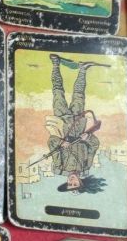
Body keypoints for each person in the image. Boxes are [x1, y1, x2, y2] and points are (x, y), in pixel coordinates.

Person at [45, 54, 105, 191]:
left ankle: (55, 64)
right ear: (80, 182)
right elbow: (94, 145)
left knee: (57, 91)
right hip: (78, 124)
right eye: (75, 184)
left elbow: (51, 142)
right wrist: (88, 137)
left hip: (62, 122)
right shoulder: (86, 166)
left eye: (69, 184)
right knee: (79, 94)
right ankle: (83, 69)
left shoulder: (59, 167)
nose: (71, 181)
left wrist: (61, 143)